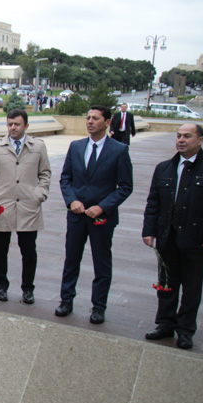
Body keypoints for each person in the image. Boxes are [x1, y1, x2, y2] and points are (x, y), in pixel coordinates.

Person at [56, 105, 134, 324]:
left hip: (101, 217)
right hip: (77, 215)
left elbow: (126, 186)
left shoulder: (119, 150)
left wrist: (103, 206)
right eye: (88, 118)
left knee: (101, 263)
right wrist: (72, 201)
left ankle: (99, 306)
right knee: (71, 259)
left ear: (108, 122)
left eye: (95, 118)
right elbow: (65, 179)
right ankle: (66, 300)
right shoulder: (76, 147)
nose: (90, 121)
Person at [141, 123, 203, 350]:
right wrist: (149, 230)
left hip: (197, 240)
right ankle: (165, 324)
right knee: (167, 285)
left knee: (191, 288)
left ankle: (185, 330)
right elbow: (153, 202)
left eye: (187, 136)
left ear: (200, 140)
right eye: (178, 136)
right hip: (167, 237)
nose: (181, 140)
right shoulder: (165, 168)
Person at [0, 109, 52, 304]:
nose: (12, 127)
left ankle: (28, 288)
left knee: (29, 251)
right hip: (3, 205)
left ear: (26, 126)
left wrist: (40, 193)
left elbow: (45, 173)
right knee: (0, 250)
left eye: (17, 124)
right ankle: (1, 286)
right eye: (10, 124)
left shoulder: (37, 146)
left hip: (29, 205)